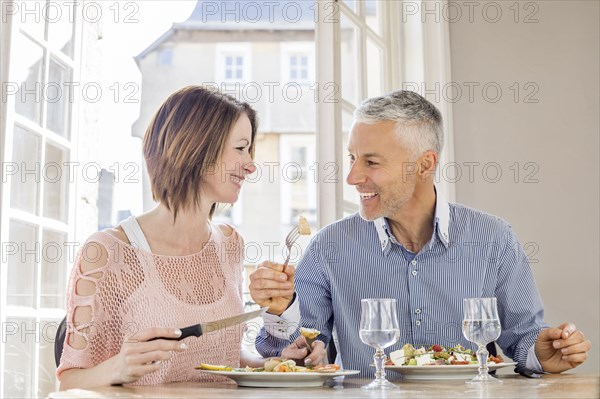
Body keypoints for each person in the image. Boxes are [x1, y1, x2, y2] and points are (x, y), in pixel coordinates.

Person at [249, 90, 592, 378]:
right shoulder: (329, 247)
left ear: (425, 164)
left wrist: (542, 353)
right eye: (352, 158)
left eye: (371, 162)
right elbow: (300, 355)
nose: (352, 177)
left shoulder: (493, 239)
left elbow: (523, 338)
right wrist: (283, 315)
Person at [58, 86, 264, 389]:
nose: (250, 164)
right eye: (240, 148)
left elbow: (225, 358)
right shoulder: (108, 252)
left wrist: (280, 362)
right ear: (196, 146)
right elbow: (69, 382)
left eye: (249, 150)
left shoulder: (230, 245)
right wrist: (118, 367)